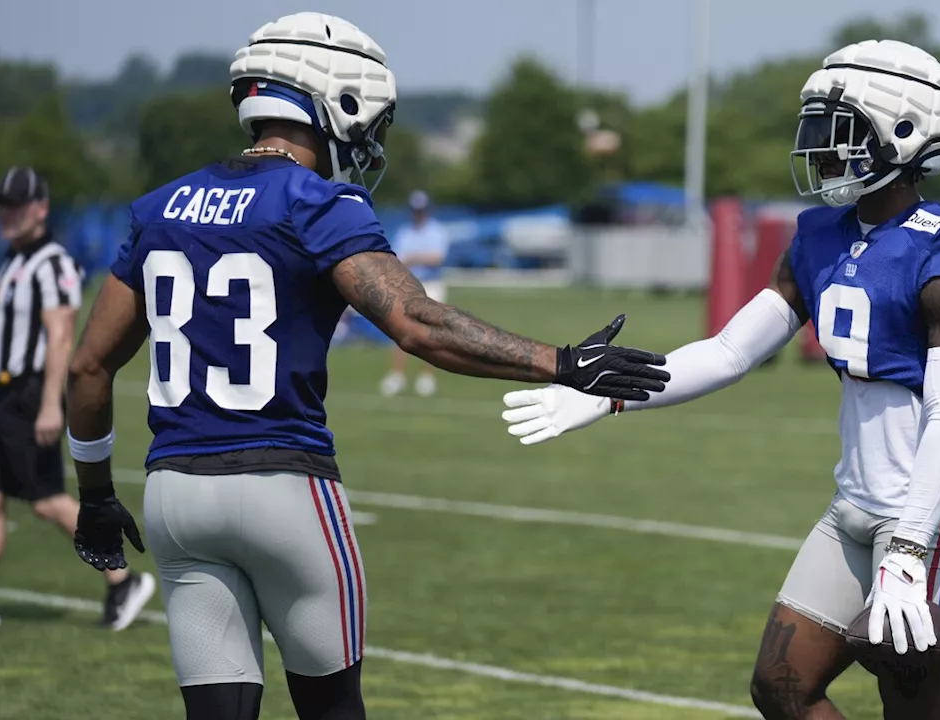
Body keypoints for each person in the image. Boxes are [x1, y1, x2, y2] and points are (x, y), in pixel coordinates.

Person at [62, 12, 668, 720]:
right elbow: (417, 322)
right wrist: (560, 361)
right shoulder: (317, 202)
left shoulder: (159, 207)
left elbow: (89, 368)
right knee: (333, 711)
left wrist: (97, 493)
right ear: (333, 97)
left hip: (175, 495)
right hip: (283, 488)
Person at [500, 39, 940, 720]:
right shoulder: (820, 236)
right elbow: (730, 351)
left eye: (842, 133)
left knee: (912, 702)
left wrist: (911, 550)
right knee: (781, 685)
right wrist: (609, 393)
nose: (822, 150)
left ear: (905, 133)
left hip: (932, 516)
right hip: (854, 503)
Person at [0, 166, 155, 631]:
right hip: (5, 394)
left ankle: (122, 579)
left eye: (17, 205)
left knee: (47, 499)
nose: (7, 214)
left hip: (30, 393)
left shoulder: (51, 262)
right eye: (2, 205)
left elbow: (60, 337)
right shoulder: (16, 261)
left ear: (40, 208)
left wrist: (52, 403)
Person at [379, 189, 451, 397]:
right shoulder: (405, 231)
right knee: (400, 329)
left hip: (431, 283)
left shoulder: (437, 231)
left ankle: (426, 377)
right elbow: (398, 258)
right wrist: (417, 258)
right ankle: (397, 375)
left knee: (431, 332)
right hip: (410, 283)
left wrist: (413, 258)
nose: (418, 214)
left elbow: (437, 258)